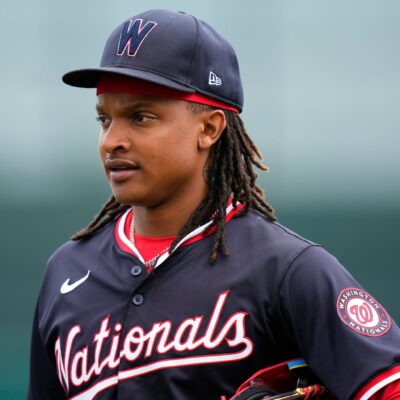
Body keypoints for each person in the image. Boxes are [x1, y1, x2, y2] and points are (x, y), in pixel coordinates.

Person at [27, 9, 400, 400]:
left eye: (140, 117)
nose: (111, 140)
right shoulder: (66, 271)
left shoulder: (288, 270)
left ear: (209, 128)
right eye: (104, 120)